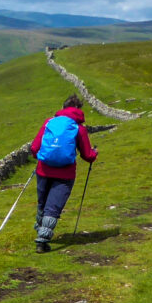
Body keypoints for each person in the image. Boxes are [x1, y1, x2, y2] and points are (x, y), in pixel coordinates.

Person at [30, 94, 97, 253]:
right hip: (64, 175)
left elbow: (34, 148)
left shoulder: (49, 122)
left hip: (43, 170)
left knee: (43, 203)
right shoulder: (79, 128)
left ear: (63, 107)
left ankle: (41, 232)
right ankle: (42, 241)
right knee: (53, 207)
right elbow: (87, 155)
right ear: (78, 109)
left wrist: (39, 157)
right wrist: (95, 153)